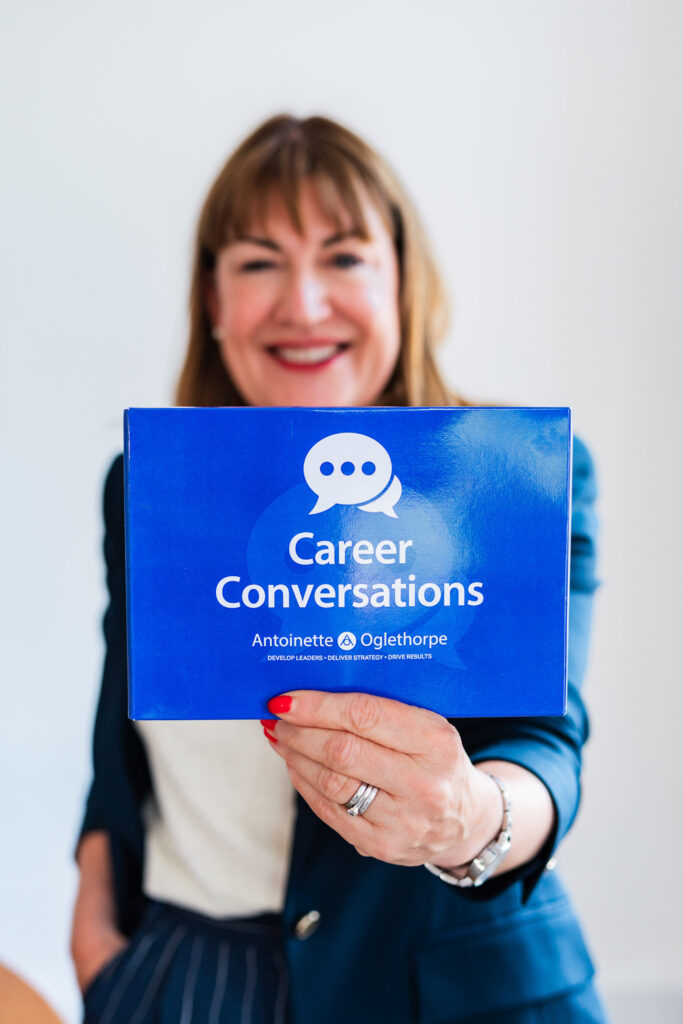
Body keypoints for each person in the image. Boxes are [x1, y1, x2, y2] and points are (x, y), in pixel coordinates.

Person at [71, 114, 608, 1023]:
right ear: (213, 299)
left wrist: (469, 820)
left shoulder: (508, 478)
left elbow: (544, 742)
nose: (304, 304)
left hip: (442, 989)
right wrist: (96, 933)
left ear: (404, 284)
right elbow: (122, 729)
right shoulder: (146, 485)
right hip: (182, 975)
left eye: (346, 257)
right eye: (256, 261)